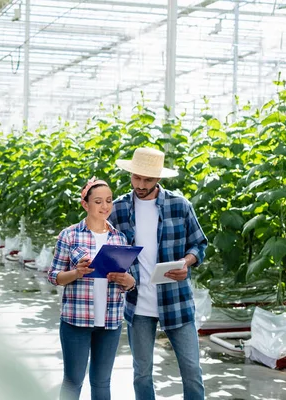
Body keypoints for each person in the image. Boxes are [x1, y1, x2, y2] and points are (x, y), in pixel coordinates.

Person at [108, 147, 208, 400]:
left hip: (176, 301)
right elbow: (105, 248)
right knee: (142, 373)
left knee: (192, 371)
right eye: (136, 178)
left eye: (148, 180)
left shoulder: (179, 205)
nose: (140, 185)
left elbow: (199, 244)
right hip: (137, 303)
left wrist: (186, 262)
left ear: (159, 179)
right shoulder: (118, 209)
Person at [48, 177, 136, 400]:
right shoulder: (70, 235)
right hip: (76, 319)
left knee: (102, 382)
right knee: (73, 381)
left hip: (110, 320)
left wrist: (129, 282)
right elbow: (54, 276)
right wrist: (76, 273)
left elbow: (129, 279)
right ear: (85, 204)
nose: (105, 206)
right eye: (98, 201)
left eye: (108, 200)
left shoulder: (119, 237)